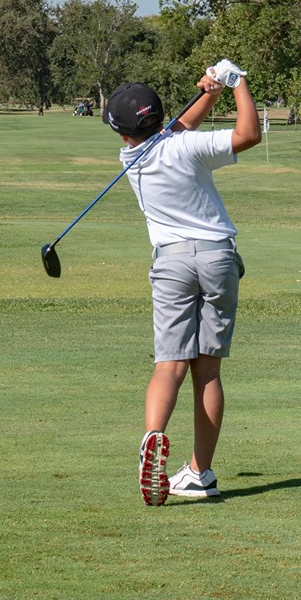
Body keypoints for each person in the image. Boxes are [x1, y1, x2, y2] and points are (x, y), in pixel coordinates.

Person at [102, 60, 261, 506]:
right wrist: (237, 85)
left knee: (168, 365)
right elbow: (248, 135)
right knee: (207, 370)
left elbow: (171, 130)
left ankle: (152, 436)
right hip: (217, 258)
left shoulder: (130, 158)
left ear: (123, 132)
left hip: (171, 263)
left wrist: (208, 93)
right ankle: (199, 473)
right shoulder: (188, 147)